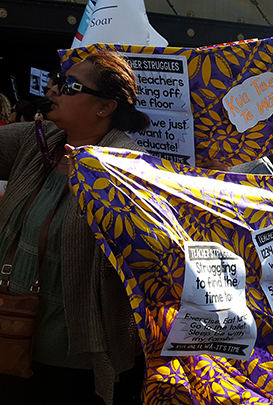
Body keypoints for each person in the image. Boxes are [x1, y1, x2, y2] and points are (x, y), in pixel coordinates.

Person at [0, 51, 148, 405]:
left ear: (104, 107)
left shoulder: (130, 172)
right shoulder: (39, 142)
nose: (53, 90)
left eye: (69, 86)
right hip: (11, 340)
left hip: (75, 366)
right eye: (57, 80)